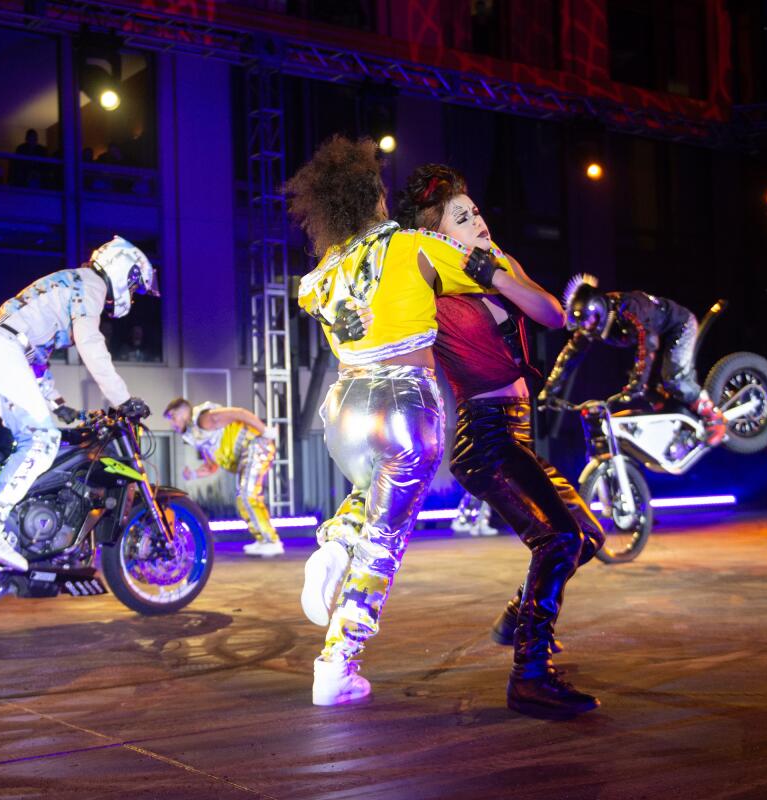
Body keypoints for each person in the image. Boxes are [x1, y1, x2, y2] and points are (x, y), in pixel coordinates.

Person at [286, 136, 493, 706]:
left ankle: (331, 550)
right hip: (403, 402)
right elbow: (489, 280)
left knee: (369, 492)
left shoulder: (325, 270)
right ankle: (337, 663)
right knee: (386, 537)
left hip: (345, 408)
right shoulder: (409, 245)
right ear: (375, 197)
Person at [397, 163, 605, 716]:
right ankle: (529, 675)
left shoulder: (501, 262)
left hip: (516, 431)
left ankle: (517, 619)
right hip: (483, 437)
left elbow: (554, 314)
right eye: (463, 217)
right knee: (557, 541)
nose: (479, 220)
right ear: (441, 235)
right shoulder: (428, 285)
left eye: (477, 210)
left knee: (585, 535)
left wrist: (499, 276)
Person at [0, 236, 156, 571]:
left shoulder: (69, 283)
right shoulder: (91, 284)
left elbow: (36, 359)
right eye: (135, 284)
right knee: (42, 440)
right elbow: (90, 342)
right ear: (123, 268)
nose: (132, 294)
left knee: (8, 449)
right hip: (0, 350)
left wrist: (61, 406)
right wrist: (122, 399)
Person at [542, 275, 727, 445]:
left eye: (588, 320)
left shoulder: (628, 308)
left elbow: (647, 343)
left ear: (597, 307)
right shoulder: (592, 327)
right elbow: (571, 354)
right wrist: (548, 391)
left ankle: (714, 417)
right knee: (649, 391)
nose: (587, 326)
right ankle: (675, 420)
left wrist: (636, 382)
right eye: (583, 323)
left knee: (674, 379)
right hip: (658, 338)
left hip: (679, 327)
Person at [165, 399, 282, 557]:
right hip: (247, 452)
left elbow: (238, 413)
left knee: (247, 495)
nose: (173, 424)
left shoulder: (204, 419)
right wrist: (192, 474)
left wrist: (265, 431)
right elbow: (212, 467)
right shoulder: (198, 435)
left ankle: (271, 542)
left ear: (182, 413)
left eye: (172, 418)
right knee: (243, 497)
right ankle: (264, 540)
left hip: (256, 444)